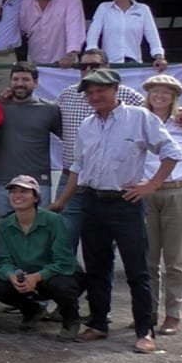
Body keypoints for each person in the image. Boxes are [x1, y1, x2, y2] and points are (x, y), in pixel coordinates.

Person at [55, 68, 182, 353]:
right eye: (89, 93)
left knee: (138, 269)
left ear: (115, 90)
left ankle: (145, 330)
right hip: (91, 201)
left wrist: (152, 185)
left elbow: (171, 152)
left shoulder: (139, 118)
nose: (95, 96)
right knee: (97, 266)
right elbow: (78, 167)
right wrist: (63, 200)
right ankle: (99, 323)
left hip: (126, 203)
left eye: (100, 91)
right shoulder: (86, 124)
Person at [52, 48, 145, 251]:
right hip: (71, 179)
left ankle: (101, 284)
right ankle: (67, 283)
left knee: (103, 247)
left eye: (94, 65)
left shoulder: (130, 97)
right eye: (83, 66)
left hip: (110, 186)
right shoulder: (66, 95)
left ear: (107, 67)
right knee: (63, 241)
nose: (87, 70)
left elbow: (161, 117)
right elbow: (52, 123)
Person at [140, 75, 182, 335]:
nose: (159, 96)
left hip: (179, 192)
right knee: (147, 259)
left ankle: (173, 315)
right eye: (155, 91)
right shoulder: (139, 120)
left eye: (166, 92)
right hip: (146, 193)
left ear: (174, 96)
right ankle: (148, 313)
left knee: (176, 260)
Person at [0, 175, 83, 341]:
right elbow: (4, 261)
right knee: (0, 286)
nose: (17, 195)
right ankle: (32, 310)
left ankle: (71, 320)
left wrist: (37, 277)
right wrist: (12, 275)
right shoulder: (5, 224)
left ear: (35, 197)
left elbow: (64, 262)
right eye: (13, 191)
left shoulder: (54, 220)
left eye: (24, 191)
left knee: (63, 285)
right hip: (25, 275)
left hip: (55, 275)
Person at [0, 62, 61, 217]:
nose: (19, 84)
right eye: (16, 79)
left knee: (40, 233)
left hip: (39, 183)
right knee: (7, 233)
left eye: (25, 79)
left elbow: (69, 139)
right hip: (5, 182)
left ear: (36, 82)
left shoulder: (50, 109)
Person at [85, 0, 167, 70]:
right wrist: (92, 53)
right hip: (108, 64)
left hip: (133, 63)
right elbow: (94, 32)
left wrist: (159, 56)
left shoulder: (143, 9)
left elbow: (152, 34)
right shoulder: (103, 8)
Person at [18, 0, 85, 68]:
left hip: (65, 65)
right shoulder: (27, 3)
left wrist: (71, 54)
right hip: (36, 66)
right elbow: (22, 31)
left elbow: (74, 27)